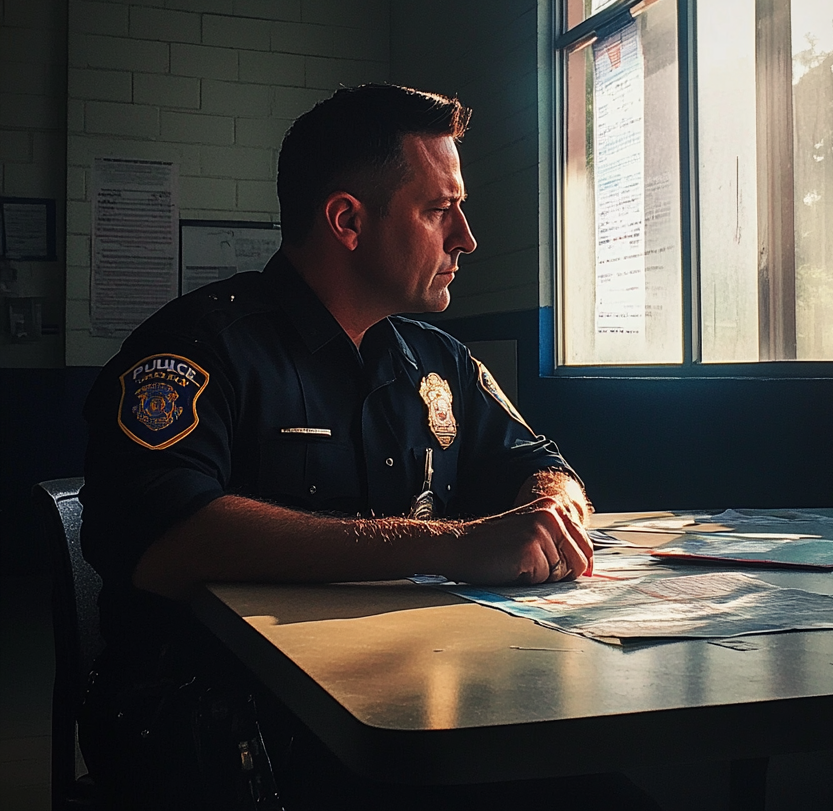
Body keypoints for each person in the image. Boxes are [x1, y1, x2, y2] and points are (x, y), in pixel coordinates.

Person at [77, 84, 595, 809]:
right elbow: (170, 542)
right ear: (348, 221)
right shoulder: (199, 349)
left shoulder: (436, 359)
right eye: (439, 210)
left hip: (410, 691)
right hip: (224, 717)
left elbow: (543, 462)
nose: (466, 238)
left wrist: (551, 516)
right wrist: (449, 544)